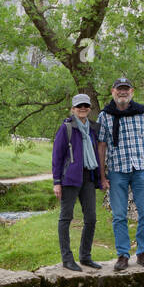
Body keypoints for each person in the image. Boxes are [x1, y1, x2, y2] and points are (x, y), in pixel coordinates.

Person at [97, 77, 144, 271]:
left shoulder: (143, 113)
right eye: (118, 89)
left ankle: (142, 252)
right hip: (117, 171)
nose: (122, 92)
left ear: (132, 91)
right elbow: (101, 146)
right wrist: (102, 174)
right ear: (112, 92)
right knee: (119, 216)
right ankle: (123, 255)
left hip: (140, 170)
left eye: (126, 89)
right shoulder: (105, 116)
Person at [51, 94, 103, 271]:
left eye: (86, 106)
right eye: (79, 106)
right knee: (66, 218)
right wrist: (56, 182)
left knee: (91, 218)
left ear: (89, 108)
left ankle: (85, 257)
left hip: (88, 178)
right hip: (70, 179)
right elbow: (57, 156)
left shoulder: (93, 129)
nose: (83, 108)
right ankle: (67, 259)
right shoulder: (66, 128)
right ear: (73, 109)